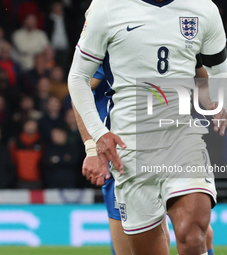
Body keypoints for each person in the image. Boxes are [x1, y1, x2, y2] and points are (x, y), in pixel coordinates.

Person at [68, 0, 227, 254]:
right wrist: (94, 142)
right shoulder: (107, 9)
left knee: (193, 234)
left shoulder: (202, 8)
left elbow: (217, 69)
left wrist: (221, 99)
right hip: (127, 149)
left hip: (181, 138)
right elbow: (77, 79)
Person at [74, 62, 216, 255]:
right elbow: (77, 85)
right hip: (123, 152)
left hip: (174, 143)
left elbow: (208, 82)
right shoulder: (111, 41)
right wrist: (91, 147)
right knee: (133, 246)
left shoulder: (180, 39)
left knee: (197, 234)